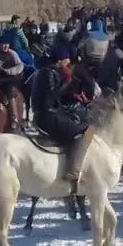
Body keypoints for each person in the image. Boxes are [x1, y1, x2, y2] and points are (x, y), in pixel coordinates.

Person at [34, 48, 90, 183]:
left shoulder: (48, 72)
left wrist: (73, 95)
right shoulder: (48, 73)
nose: (69, 62)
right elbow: (50, 95)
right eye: (67, 60)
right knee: (82, 130)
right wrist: (67, 81)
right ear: (59, 61)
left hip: (50, 112)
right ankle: (73, 170)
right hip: (48, 116)